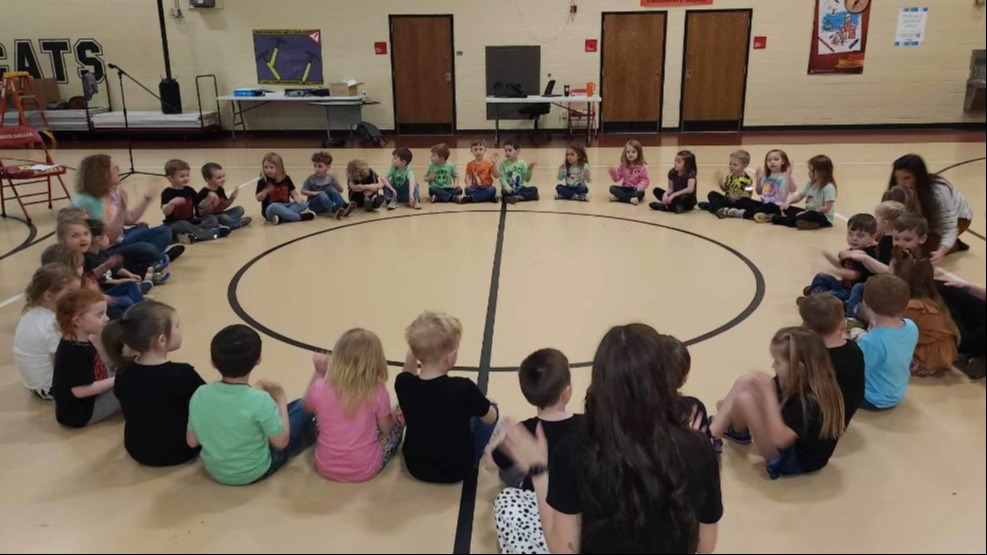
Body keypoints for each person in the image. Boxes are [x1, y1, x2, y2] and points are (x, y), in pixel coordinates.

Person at [496, 324, 721, 554]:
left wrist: (539, 471)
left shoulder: (573, 451)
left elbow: (564, 550)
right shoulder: (700, 449)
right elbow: (705, 545)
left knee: (508, 503)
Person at [187, 325, 317, 485]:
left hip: (215, 470)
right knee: (299, 407)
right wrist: (281, 399)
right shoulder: (260, 400)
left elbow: (192, 441)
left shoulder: (201, 393)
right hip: (255, 471)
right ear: (258, 360)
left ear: (213, 362)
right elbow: (281, 442)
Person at [711, 327, 846, 479]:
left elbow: (780, 439)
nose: (773, 366)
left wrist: (768, 395)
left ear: (798, 368)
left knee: (745, 400)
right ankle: (712, 434)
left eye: (778, 362)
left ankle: (721, 433)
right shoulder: (802, 378)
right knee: (747, 381)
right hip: (788, 436)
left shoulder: (809, 402)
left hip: (794, 460)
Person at [397, 312, 498, 484]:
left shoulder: (404, 384)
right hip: (457, 469)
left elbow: (408, 373)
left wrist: (413, 351)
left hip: (415, 466)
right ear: (451, 357)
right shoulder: (463, 388)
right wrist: (489, 407)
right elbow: (491, 419)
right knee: (490, 408)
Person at [103, 301, 205, 466]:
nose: (181, 330)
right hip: (179, 451)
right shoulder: (183, 374)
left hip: (136, 448)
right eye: (177, 326)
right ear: (162, 340)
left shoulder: (123, 372)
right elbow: (208, 403)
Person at [303, 329, 404, 483]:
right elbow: (386, 429)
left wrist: (319, 373)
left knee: (319, 417)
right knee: (397, 423)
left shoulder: (321, 386)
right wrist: (395, 417)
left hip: (325, 466)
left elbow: (307, 407)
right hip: (365, 468)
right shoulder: (377, 391)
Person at [484, 348, 583, 490]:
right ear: (567, 392)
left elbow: (489, 464)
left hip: (536, 495)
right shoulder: (587, 423)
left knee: (508, 467)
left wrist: (501, 437)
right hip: (575, 498)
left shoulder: (523, 431)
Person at [72, 154, 180, 277]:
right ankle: (152, 262)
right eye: (115, 168)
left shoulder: (111, 193)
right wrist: (121, 208)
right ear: (102, 174)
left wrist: (147, 199)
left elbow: (129, 219)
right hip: (104, 251)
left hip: (120, 241)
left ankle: (153, 260)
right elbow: (109, 238)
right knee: (145, 248)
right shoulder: (87, 202)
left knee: (163, 232)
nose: (119, 171)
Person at [887, 154, 974, 264]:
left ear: (918, 177)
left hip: (959, 219)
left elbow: (950, 228)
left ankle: (954, 244)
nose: (900, 183)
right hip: (925, 219)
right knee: (894, 244)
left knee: (920, 251)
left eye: (906, 178)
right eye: (897, 178)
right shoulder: (898, 191)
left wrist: (941, 252)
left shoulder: (939, 193)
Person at [52, 289, 118, 428]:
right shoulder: (74, 353)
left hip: (85, 401)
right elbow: (80, 391)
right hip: (81, 414)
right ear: (77, 321)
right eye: (99, 315)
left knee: (123, 368)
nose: (106, 318)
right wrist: (118, 380)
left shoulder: (76, 341)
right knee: (130, 383)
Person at [14, 264, 81, 400]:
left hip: (36, 385)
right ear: (49, 296)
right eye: (70, 293)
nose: (77, 297)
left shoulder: (32, 314)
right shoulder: (51, 325)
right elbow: (61, 364)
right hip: (50, 387)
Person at [799, 294, 866, 424]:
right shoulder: (854, 349)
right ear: (843, 325)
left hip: (816, 421)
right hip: (843, 417)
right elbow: (858, 390)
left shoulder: (808, 354)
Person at [857, 274, 919, 411]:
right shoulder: (911, 326)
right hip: (897, 392)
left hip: (872, 399)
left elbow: (855, 370)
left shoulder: (872, 341)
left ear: (865, 304)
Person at [893, 255, 960, 377]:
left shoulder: (913, 306)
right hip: (936, 355)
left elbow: (891, 332)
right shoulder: (932, 299)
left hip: (924, 361)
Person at [804, 214, 879, 316]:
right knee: (821, 276)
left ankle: (818, 298)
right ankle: (817, 296)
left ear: (872, 237)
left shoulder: (869, 253)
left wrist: (831, 270)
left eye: (860, 236)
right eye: (850, 234)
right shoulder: (852, 250)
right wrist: (825, 253)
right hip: (844, 285)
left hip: (853, 293)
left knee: (831, 295)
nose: (854, 238)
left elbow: (854, 274)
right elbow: (839, 264)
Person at [160, 159, 229, 244]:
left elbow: (201, 205)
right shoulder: (167, 193)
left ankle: (190, 236)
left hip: (191, 222)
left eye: (187, 175)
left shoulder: (189, 190)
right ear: (170, 178)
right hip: (174, 224)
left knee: (211, 219)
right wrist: (172, 203)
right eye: (182, 176)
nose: (186, 178)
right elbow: (165, 212)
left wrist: (209, 198)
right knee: (182, 224)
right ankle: (213, 233)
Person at [770, 155, 838, 230]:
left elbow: (827, 208)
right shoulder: (810, 184)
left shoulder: (829, 187)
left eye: (811, 171)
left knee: (811, 214)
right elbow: (799, 196)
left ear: (823, 172)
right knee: (787, 208)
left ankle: (785, 220)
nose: (809, 173)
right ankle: (809, 224)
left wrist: (806, 213)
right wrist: (788, 202)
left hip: (822, 217)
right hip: (807, 213)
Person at [255, 152, 315, 225]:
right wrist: (266, 191)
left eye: (271, 167)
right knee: (274, 206)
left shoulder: (286, 178)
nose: (268, 170)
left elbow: (293, 192)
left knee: (303, 204)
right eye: (266, 167)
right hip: (270, 210)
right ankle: (299, 217)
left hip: (286, 206)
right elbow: (258, 198)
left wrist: (297, 198)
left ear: (279, 167)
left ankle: (281, 218)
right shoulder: (263, 181)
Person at [197, 162, 252, 229]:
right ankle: (238, 223)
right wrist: (211, 204)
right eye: (219, 178)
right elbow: (199, 213)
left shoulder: (220, 189)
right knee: (223, 218)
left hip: (221, 214)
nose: (223, 179)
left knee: (240, 209)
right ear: (207, 180)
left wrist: (232, 197)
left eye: (223, 176)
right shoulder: (203, 193)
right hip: (210, 218)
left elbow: (224, 206)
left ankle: (223, 223)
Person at [301, 151, 354, 218]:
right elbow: (302, 191)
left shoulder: (330, 178)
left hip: (325, 205)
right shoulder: (311, 179)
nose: (317, 169)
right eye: (315, 166)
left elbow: (341, 190)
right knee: (321, 193)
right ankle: (334, 210)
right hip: (313, 205)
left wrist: (336, 182)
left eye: (320, 166)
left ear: (328, 167)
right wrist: (314, 193)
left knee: (330, 189)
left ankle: (343, 206)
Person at [701, 150, 753, 217]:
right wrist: (720, 183)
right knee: (712, 194)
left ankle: (713, 207)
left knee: (745, 203)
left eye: (735, 165)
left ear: (745, 165)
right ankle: (719, 209)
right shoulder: (730, 176)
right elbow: (726, 189)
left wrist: (737, 196)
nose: (731, 166)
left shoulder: (747, 180)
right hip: (727, 200)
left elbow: (749, 195)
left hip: (737, 202)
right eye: (730, 164)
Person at [608, 140, 650, 205]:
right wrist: (613, 172)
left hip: (635, 189)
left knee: (641, 193)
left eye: (633, 152)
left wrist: (640, 186)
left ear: (639, 153)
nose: (630, 154)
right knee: (612, 188)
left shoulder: (643, 166)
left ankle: (620, 197)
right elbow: (617, 178)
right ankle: (629, 199)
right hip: (625, 188)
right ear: (625, 153)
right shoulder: (623, 165)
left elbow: (645, 179)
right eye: (628, 152)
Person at [462, 139, 498, 204]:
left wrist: (494, 164)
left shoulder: (489, 163)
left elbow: (496, 175)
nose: (478, 152)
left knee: (493, 189)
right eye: (475, 149)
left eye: (481, 149)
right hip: (474, 188)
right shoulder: (470, 164)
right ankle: (488, 197)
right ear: (471, 151)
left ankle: (472, 198)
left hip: (486, 187)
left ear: (485, 150)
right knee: (467, 190)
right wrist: (467, 183)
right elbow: (467, 176)